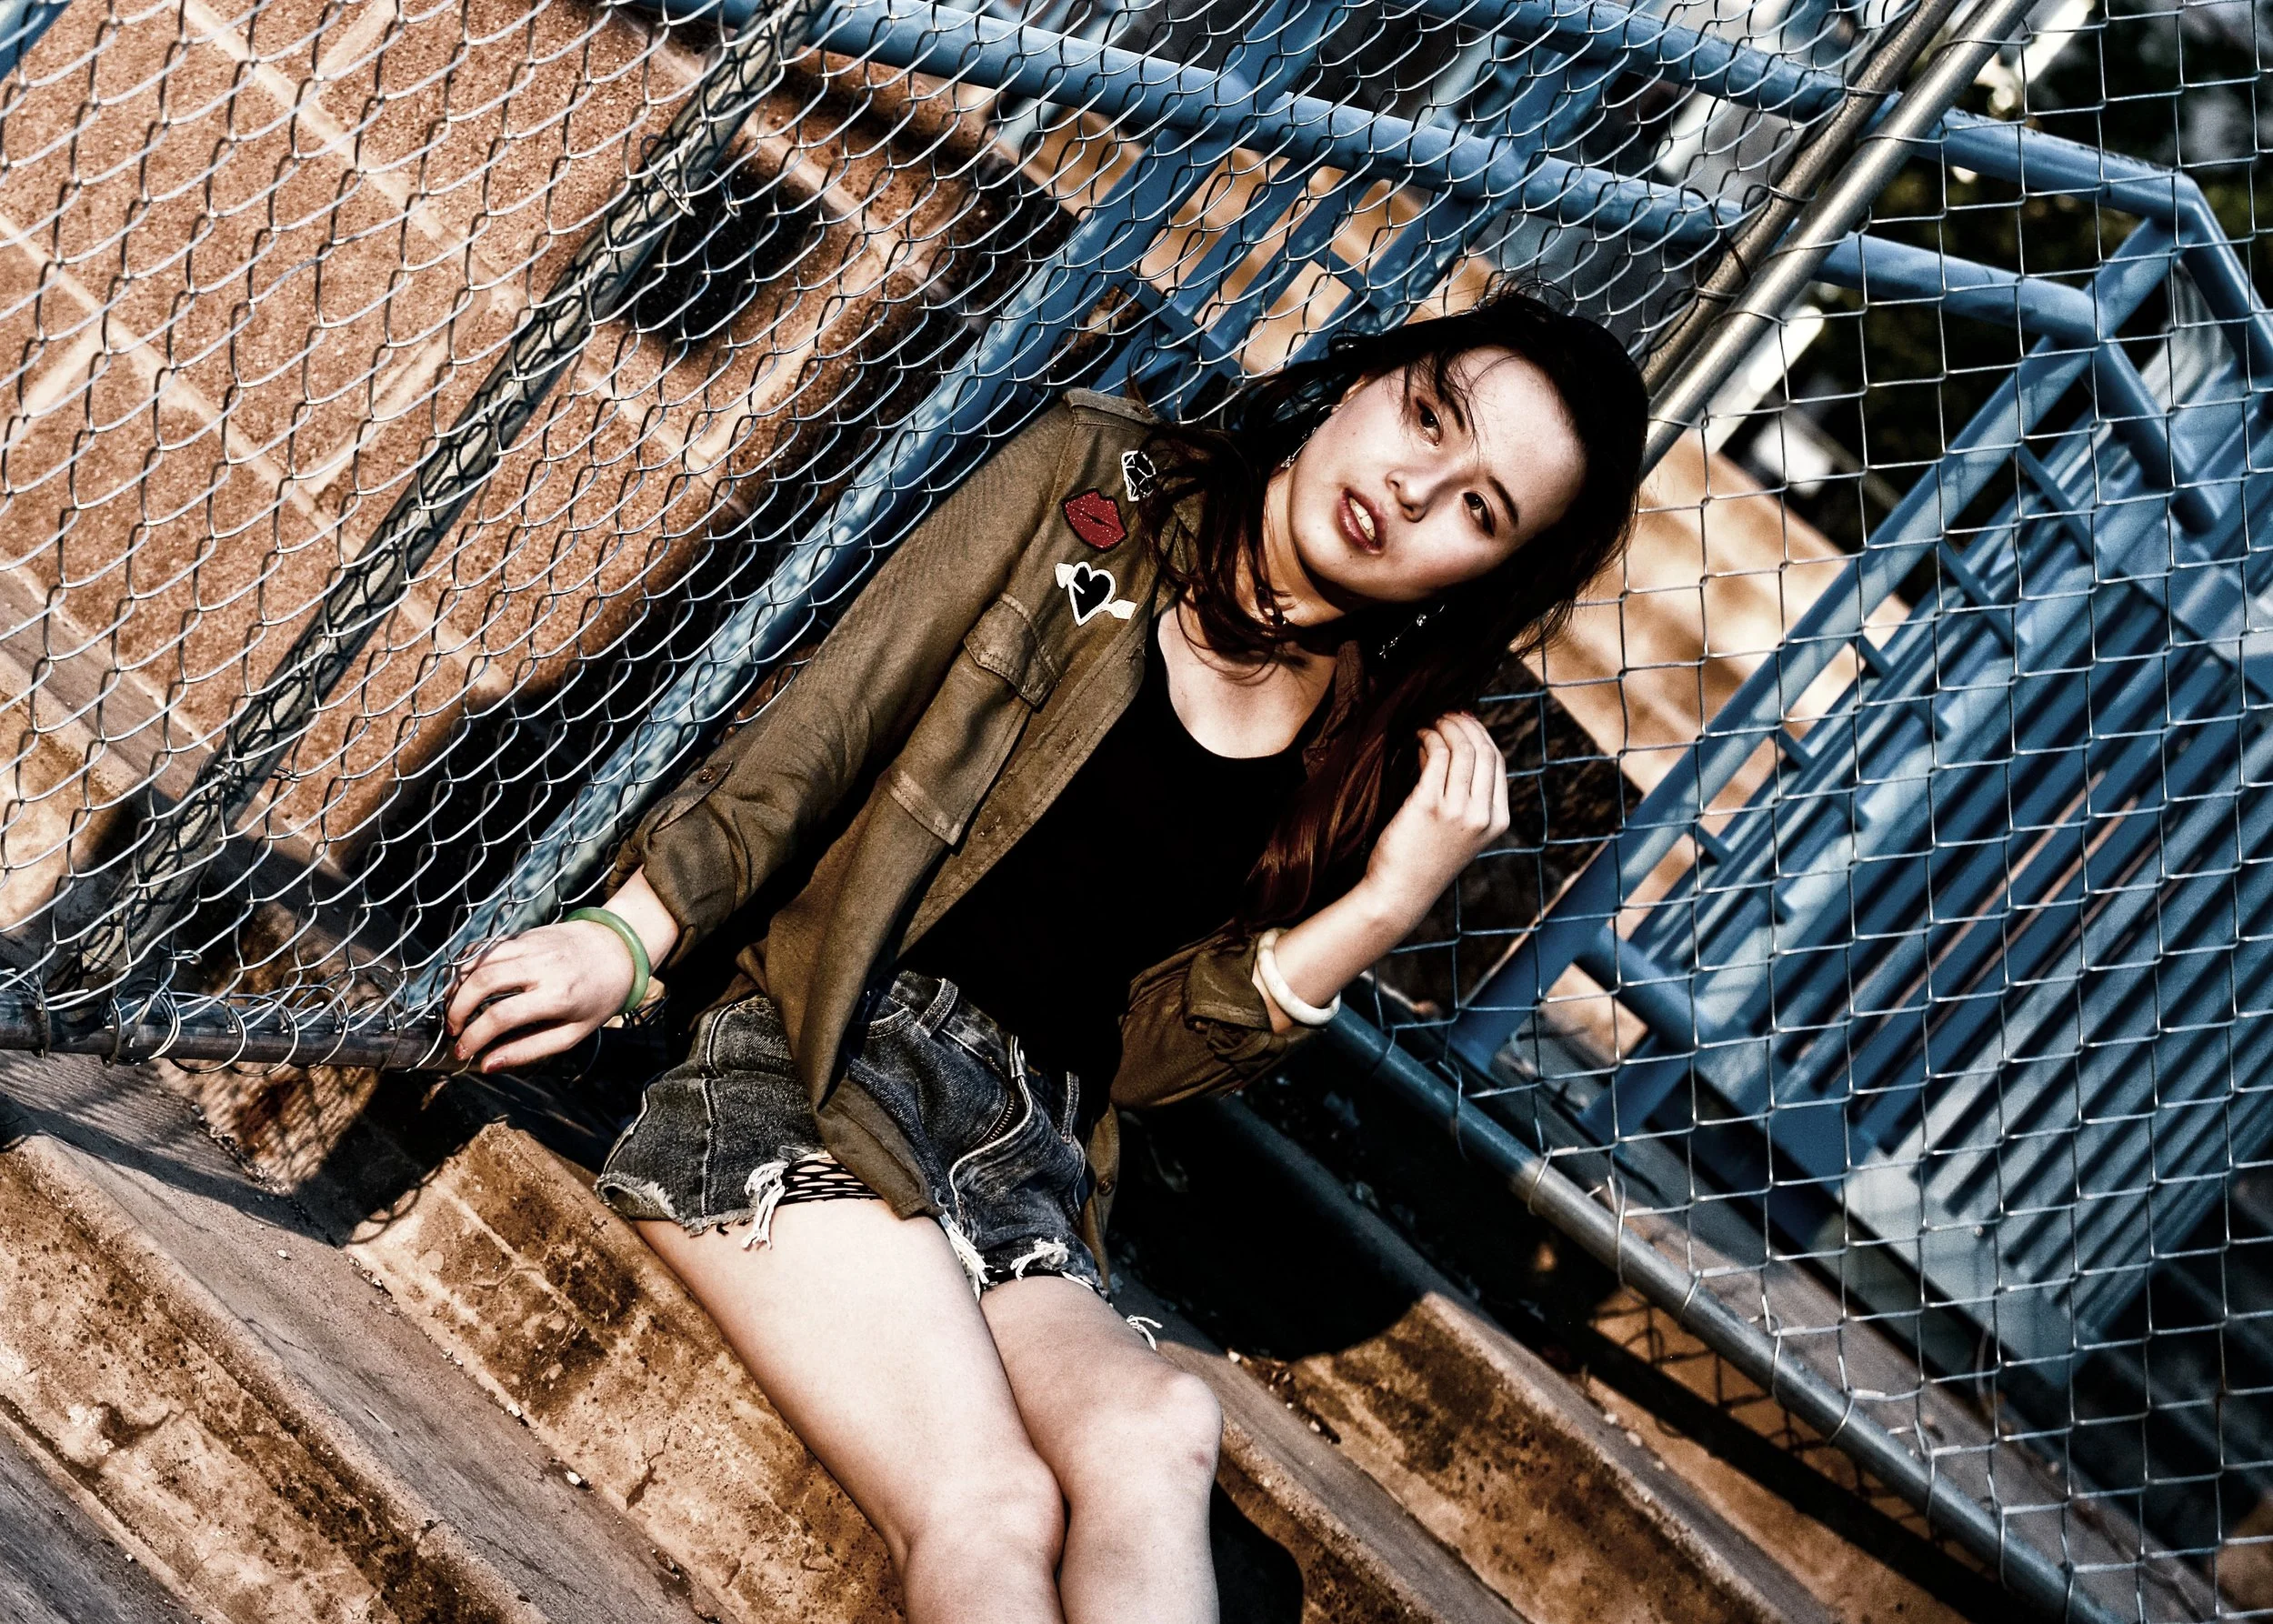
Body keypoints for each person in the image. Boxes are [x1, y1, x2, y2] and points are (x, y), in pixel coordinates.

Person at [444, 285, 1647, 1624]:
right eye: (1430, 415)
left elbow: (1136, 1063)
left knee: (1164, 1426)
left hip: (1031, 1163)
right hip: (816, 1061)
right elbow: (837, 720)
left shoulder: (1354, 750)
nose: (1415, 490)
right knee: (993, 1505)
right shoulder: (1097, 484)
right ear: (1366, 382)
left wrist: (1385, 902)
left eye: (1479, 510)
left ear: (1485, 578)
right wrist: (636, 929)